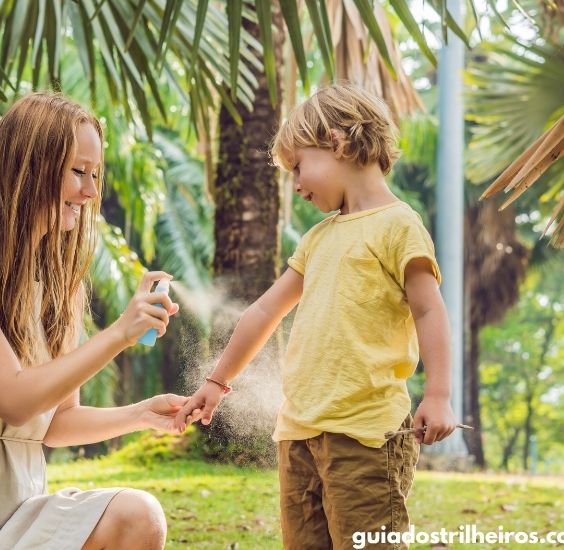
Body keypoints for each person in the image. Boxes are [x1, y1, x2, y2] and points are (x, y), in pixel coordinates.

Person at [0, 92, 193, 549]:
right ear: (30, 166)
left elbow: (56, 421)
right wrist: (119, 334)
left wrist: (142, 414)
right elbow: (15, 401)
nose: (90, 190)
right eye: (78, 171)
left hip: (19, 513)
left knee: (138, 516)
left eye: (95, 174)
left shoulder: (55, 282)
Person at [174, 84, 458, 549]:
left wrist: (440, 394)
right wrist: (217, 382)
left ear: (337, 142)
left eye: (299, 167)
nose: (298, 185)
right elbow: (264, 310)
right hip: (299, 434)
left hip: (367, 437)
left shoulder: (399, 226)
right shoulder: (318, 238)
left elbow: (429, 310)